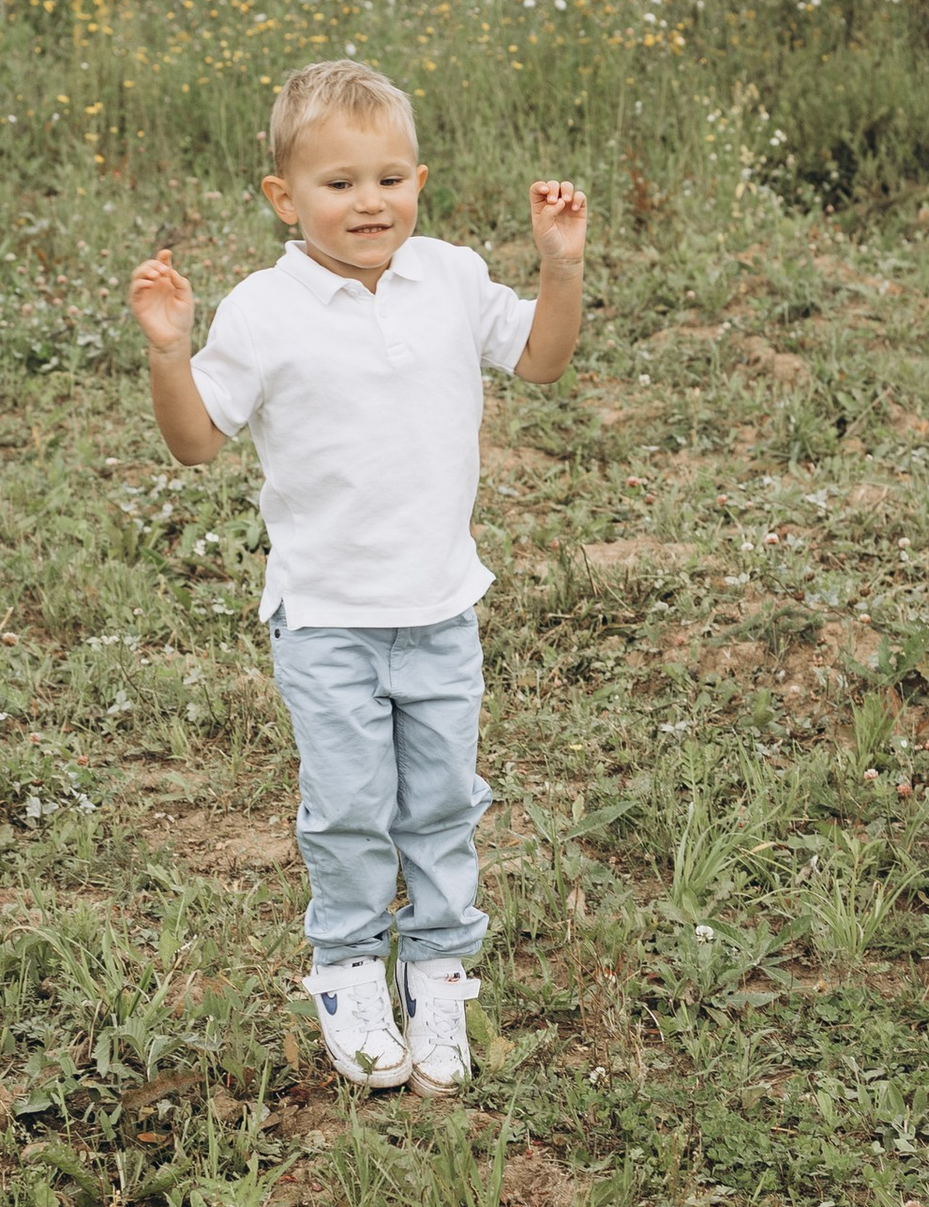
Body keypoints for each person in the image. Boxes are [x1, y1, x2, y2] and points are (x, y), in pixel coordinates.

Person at [126, 57, 586, 1096]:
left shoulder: (452, 277)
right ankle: (345, 968)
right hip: (327, 617)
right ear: (284, 198)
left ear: (419, 180)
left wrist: (559, 268)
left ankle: (437, 968)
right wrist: (168, 353)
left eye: (388, 179)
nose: (368, 202)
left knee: (442, 802)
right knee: (348, 807)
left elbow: (542, 360)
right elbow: (196, 443)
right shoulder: (262, 309)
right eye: (338, 184)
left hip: (440, 608)